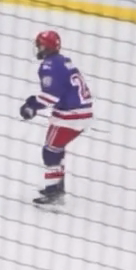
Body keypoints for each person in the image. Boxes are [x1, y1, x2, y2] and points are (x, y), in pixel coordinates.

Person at [20, 30, 95, 206]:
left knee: (50, 150)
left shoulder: (49, 66)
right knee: (57, 148)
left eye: (39, 44)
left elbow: (51, 96)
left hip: (70, 116)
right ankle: (57, 186)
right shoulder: (63, 61)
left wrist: (31, 107)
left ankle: (54, 193)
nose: (38, 48)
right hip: (81, 112)